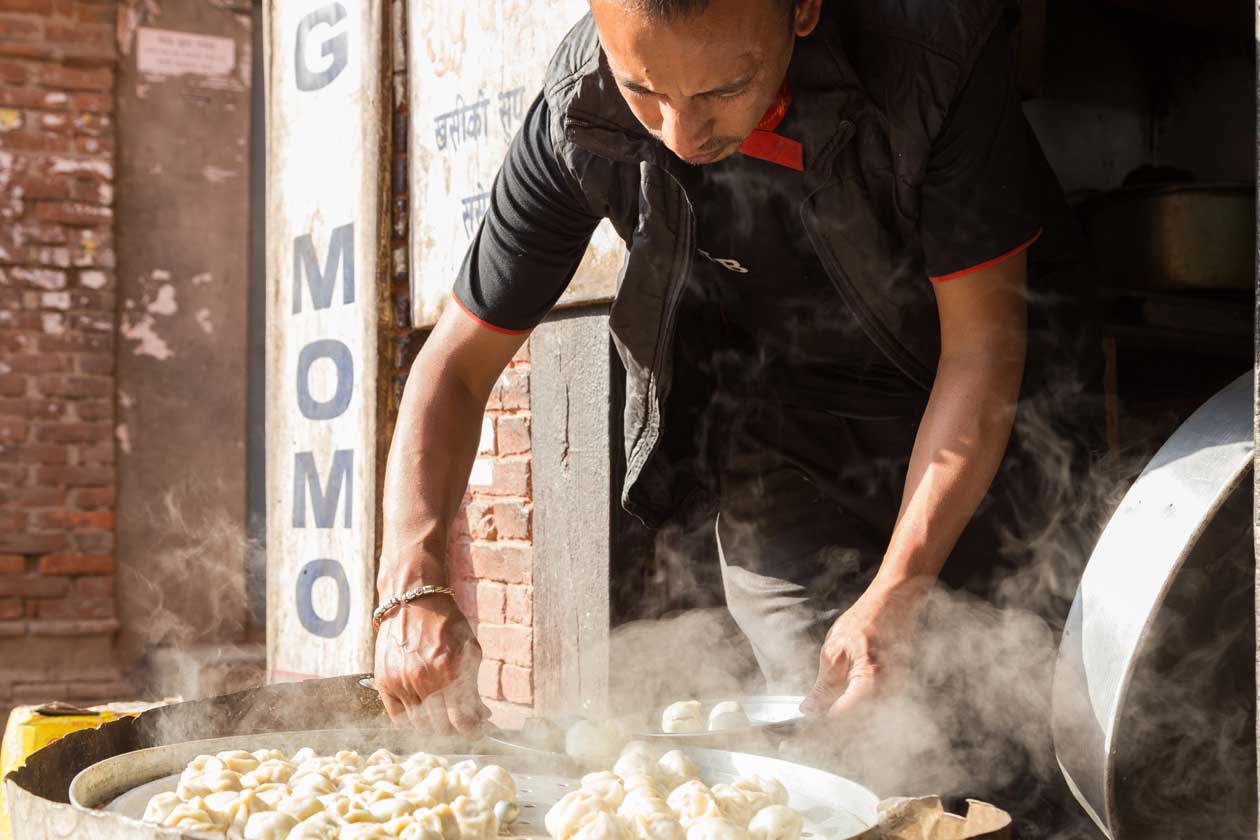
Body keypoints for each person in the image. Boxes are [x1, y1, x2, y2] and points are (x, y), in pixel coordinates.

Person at [373, 0, 1096, 738]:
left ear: (806, 8)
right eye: (644, 92)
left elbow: (980, 353)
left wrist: (901, 582)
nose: (681, 136)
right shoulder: (580, 106)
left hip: (984, 428)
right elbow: (454, 368)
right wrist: (409, 582)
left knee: (1021, 727)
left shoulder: (930, 60)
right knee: (845, 731)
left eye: (722, 90)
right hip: (786, 446)